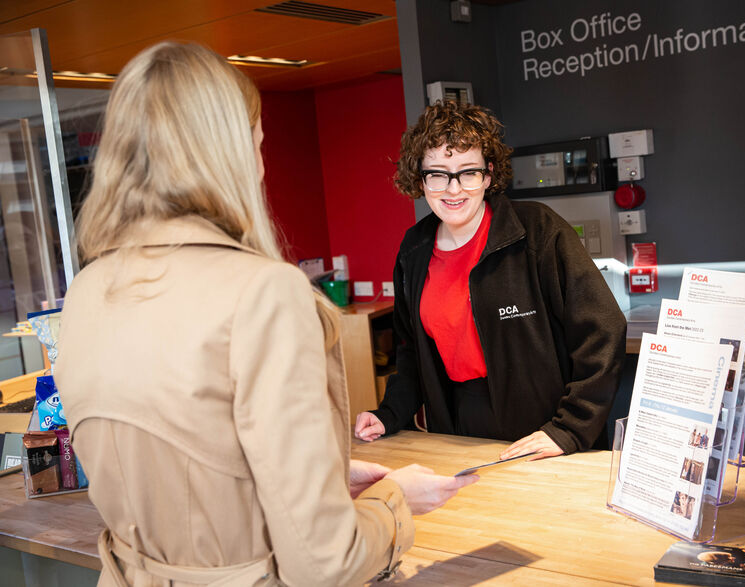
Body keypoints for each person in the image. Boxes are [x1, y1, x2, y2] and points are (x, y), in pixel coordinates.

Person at [54, 42, 475, 586]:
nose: (260, 162)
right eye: (257, 142)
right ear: (228, 153)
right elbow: (324, 564)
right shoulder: (263, 294)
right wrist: (395, 501)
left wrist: (317, 478)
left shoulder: (89, 291)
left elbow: (181, 468)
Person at [355, 100, 626, 460]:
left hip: (543, 431)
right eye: (438, 174)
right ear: (420, 179)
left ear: (488, 174)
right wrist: (389, 414)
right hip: (455, 428)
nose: (454, 190)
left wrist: (571, 428)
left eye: (468, 172)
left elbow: (603, 330)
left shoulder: (538, 231)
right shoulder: (414, 249)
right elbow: (411, 354)